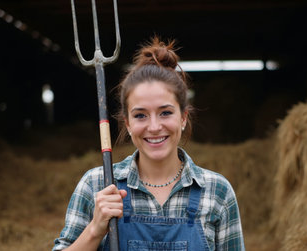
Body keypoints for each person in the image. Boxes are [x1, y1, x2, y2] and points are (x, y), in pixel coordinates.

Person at [53, 37, 245, 250]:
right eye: (140, 115)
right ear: (127, 123)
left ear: (183, 118)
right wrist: (95, 230)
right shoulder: (97, 185)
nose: (154, 127)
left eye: (165, 113)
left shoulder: (217, 192)